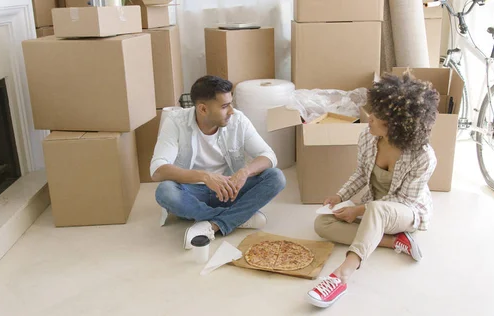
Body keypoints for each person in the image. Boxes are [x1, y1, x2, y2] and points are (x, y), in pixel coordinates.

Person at [306, 71, 439, 308]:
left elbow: (403, 199)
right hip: (374, 208)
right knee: (321, 224)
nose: (370, 118)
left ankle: (342, 275)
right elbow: (360, 173)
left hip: (406, 211)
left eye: (378, 117)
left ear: (396, 126)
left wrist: (358, 211)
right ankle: (394, 241)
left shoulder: (423, 157)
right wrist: (340, 196)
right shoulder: (368, 138)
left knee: (377, 209)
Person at [151, 75, 286, 250]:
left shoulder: (237, 119)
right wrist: (205, 177)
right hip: (192, 192)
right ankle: (238, 218)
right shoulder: (176, 122)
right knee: (165, 191)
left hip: (229, 191)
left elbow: (268, 155)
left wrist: (244, 172)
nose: (231, 110)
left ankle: (213, 224)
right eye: (224, 106)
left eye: (230, 103)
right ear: (203, 109)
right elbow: (157, 170)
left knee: (275, 177)